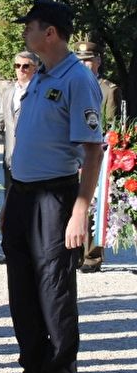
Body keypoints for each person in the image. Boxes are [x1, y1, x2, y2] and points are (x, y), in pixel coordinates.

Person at [0, 0, 104, 373]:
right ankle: (32, 372)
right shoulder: (40, 76)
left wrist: (80, 210)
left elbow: (92, 152)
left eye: (30, 26)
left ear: (50, 33)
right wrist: (10, 199)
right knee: (22, 288)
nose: (24, 32)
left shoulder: (77, 79)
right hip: (23, 195)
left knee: (54, 289)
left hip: (55, 197)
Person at [75, 41, 122, 274]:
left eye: (88, 60)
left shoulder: (108, 90)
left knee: (93, 204)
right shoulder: (70, 84)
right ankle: (72, 252)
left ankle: (92, 255)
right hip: (70, 154)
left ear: (98, 61)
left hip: (96, 155)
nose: (84, 64)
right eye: (80, 60)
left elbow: (112, 128)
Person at [0, 52, 40, 193]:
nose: (21, 69)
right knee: (10, 200)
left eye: (26, 66)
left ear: (36, 69)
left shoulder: (42, 92)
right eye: (17, 66)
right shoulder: (8, 92)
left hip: (36, 160)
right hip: (11, 160)